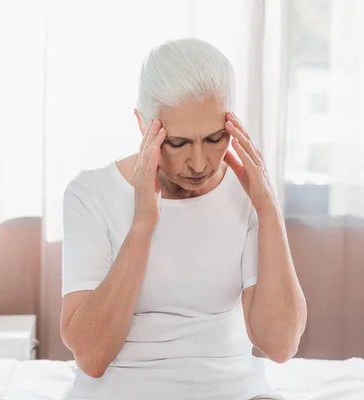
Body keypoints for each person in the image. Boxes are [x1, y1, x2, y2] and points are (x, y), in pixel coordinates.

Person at [60, 38, 307, 400]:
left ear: (232, 125)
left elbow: (280, 344)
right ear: (144, 128)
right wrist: (142, 225)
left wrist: (268, 209)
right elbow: (92, 356)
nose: (199, 163)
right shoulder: (90, 194)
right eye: (177, 143)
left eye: (215, 138)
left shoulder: (249, 195)